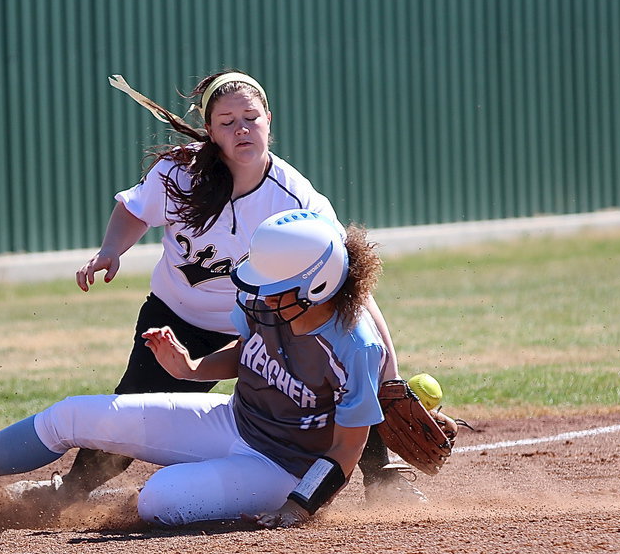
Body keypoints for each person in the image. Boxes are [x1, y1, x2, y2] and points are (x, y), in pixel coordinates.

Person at [0, 211, 392, 528]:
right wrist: (191, 369)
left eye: (271, 285)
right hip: (234, 420)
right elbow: (248, 352)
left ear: (316, 287)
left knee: (158, 500)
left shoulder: (353, 346)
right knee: (70, 416)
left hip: (283, 468)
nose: (255, 292)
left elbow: (346, 453)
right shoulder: (270, 303)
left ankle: (211, 494)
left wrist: (298, 509)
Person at [56, 70, 422, 505]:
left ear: (269, 118)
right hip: (175, 318)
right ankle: (67, 495)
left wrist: (390, 369)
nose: (241, 128)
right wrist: (110, 250)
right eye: (227, 121)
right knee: (132, 406)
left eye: (250, 117)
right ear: (210, 131)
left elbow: (344, 283)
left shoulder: (295, 200)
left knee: (327, 382)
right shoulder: (181, 171)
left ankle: (383, 478)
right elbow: (136, 209)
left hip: (266, 320)